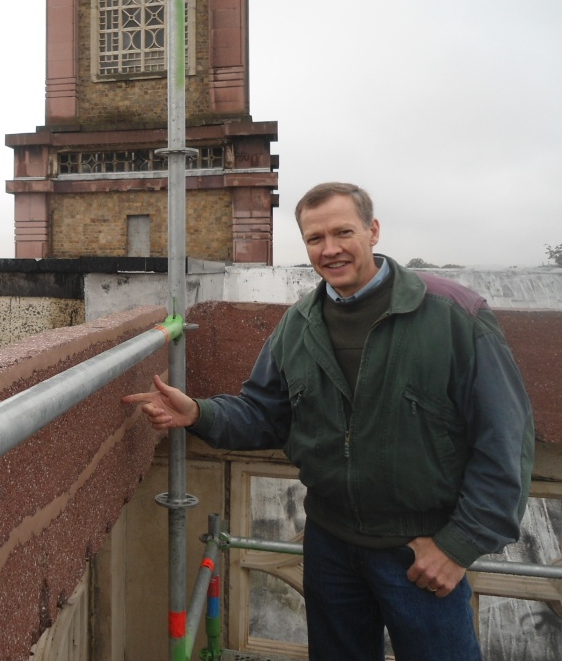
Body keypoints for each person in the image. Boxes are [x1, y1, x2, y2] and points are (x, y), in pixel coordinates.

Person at [123, 182, 535, 661]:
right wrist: (197, 412)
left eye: (343, 232)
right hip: (330, 545)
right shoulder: (299, 325)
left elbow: (506, 437)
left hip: (421, 549)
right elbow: (264, 414)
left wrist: (459, 546)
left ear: (373, 231)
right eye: (315, 239)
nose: (330, 249)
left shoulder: (452, 315)